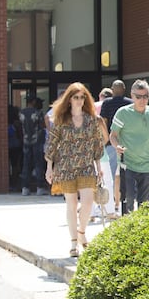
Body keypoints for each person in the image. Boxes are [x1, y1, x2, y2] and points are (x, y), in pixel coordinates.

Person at [44, 83, 104, 257]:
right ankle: (73, 243)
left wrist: (99, 167)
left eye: (82, 97)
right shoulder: (61, 120)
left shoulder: (91, 119)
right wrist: (49, 167)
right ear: (69, 99)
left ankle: (81, 232)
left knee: (87, 202)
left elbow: (97, 143)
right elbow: (52, 144)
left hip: (86, 166)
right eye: (76, 97)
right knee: (71, 204)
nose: (79, 100)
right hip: (66, 167)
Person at [109, 79, 149, 214]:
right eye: (138, 97)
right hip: (127, 164)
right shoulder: (122, 113)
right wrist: (117, 146)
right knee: (128, 201)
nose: (142, 100)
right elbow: (113, 135)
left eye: (145, 96)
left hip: (146, 163)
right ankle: (126, 232)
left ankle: (141, 232)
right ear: (132, 95)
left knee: (145, 204)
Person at [100, 79, 133, 213]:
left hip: (111, 143)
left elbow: (103, 122)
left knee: (111, 175)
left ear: (112, 90)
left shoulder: (107, 103)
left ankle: (112, 204)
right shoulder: (130, 103)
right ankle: (125, 202)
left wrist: (104, 139)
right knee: (127, 174)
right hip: (127, 143)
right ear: (124, 89)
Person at [20, 95, 47, 195]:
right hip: (37, 141)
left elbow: (20, 127)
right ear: (34, 102)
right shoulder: (38, 113)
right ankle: (39, 187)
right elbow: (42, 126)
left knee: (26, 164)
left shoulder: (22, 113)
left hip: (26, 140)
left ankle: (25, 187)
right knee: (38, 164)